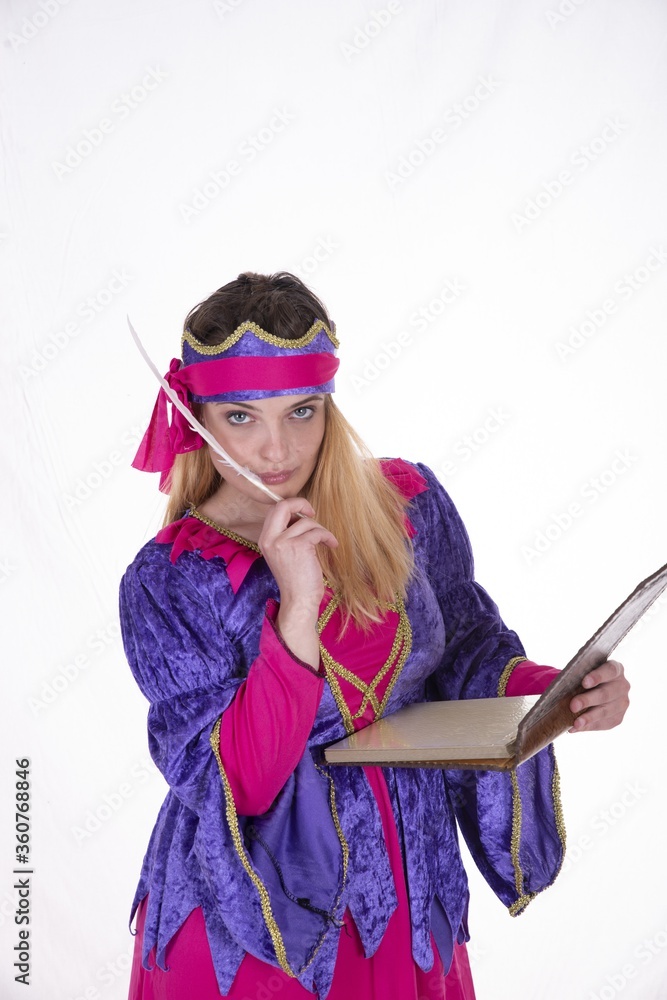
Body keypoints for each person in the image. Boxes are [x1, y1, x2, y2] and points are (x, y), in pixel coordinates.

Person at [119, 271, 630, 1000]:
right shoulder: (172, 578)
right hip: (259, 914)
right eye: (241, 417)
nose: (276, 448)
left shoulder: (405, 505)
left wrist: (556, 695)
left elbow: (463, 649)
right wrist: (296, 606)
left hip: (407, 883)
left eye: (302, 411)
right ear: (196, 417)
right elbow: (239, 782)